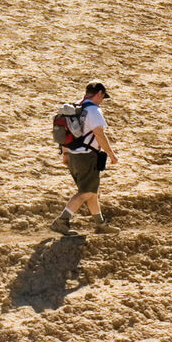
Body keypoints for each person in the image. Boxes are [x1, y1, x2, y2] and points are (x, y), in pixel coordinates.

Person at [52, 80, 118, 235]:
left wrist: (66, 154)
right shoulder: (93, 111)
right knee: (86, 192)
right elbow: (99, 134)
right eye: (103, 97)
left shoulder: (74, 108)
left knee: (90, 192)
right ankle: (61, 221)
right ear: (99, 93)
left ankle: (100, 224)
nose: (102, 100)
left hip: (74, 156)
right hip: (87, 157)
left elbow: (65, 134)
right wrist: (111, 154)